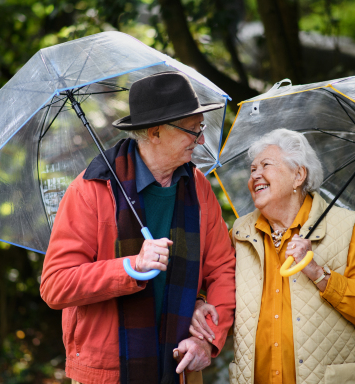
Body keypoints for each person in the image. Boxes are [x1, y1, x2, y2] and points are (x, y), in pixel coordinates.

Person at [40, 72, 236, 384]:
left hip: (180, 367)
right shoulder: (91, 188)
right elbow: (55, 285)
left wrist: (207, 339)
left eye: (201, 128)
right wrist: (132, 267)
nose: (200, 139)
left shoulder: (198, 187)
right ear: (156, 133)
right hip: (108, 373)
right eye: (192, 130)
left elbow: (222, 268)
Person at [190, 128, 355, 384]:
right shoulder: (240, 234)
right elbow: (219, 288)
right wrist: (199, 301)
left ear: (298, 175)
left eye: (266, 165)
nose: (255, 175)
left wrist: (320, 274)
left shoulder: (346, 228)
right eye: (252, 169)